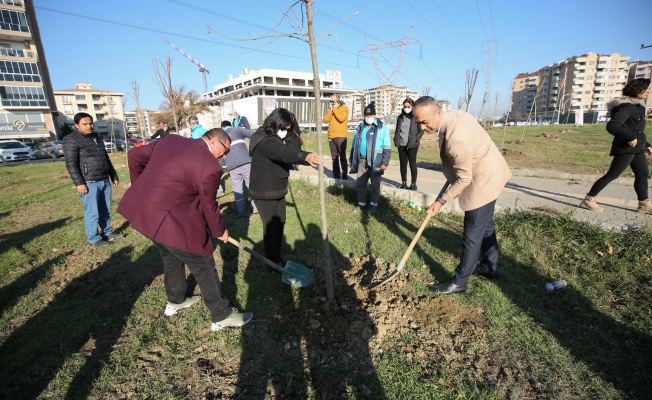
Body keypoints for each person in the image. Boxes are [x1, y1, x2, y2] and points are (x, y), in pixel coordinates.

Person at [117, 129, 253, 331]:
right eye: (225, 150)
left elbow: (134, 155)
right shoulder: (209, 167)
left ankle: (176, 300)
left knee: (171, 256)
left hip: (141, 214)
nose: (225, 156)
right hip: (166, 220)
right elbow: (209, 205)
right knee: (203, 261)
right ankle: (221, 315)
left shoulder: (171, 140)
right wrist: (219, 230)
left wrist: (139, 186)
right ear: (214, 141)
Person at [413, 96, 512, 294]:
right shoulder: (453, 117)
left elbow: (464, 179)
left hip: (484, 178)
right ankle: (490, 266)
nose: (423, 128)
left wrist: (441, 200)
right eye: (419, 123)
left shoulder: (456, 139)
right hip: (488, 169)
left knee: (472, 233)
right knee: (486, 225)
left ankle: (460, 281)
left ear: (438, 113)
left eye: (425, 122)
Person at [249, 108, 322, 265]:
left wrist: (293, 125)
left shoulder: (271, 134)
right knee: (271, 228)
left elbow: (291, 144)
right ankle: (272, 262)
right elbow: (282, 152)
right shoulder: (266, 140)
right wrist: (304, 156)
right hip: (264, 191)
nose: (286, 131)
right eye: (284, 128)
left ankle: (277, 255)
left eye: (288, 128)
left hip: (275, 190)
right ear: (276, 123)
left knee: (280, 222)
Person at [580, 78, 652, 214]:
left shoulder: (639, 107)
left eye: (649, 89)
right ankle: (588, 199)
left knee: (642, 174)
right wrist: (630, 137)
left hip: (637, 147)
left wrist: (646, 145)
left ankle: (644, 204)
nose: (648, 91)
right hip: (626, 147)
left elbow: (635, 129)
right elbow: (613, 125)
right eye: (645, 89)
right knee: (612, 174)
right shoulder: (626, 107)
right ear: (636, 89)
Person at [62, 112, 124, 247]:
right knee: (92, 212)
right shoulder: (71, 139)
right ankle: (93, 239)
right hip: (89, 182)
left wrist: (113, 175)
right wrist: (79, 183)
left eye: (91, 123)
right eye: (85, 124)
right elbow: (71, 163)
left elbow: (105, 158)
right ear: (77, 125)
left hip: (104, 180)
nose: (89, 126)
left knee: (105, 209)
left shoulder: (96, 137)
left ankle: (107, 232)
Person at [348, 101, 391, 214]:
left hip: (376, 161)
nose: (369, 117)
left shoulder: (382, 128)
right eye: (367, 116)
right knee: (360, 183)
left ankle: (373, 205)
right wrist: (351, 159)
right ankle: (361, 203)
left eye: (371, 115)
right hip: (361, 161)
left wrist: (385, 163)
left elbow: (387, 147)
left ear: (375, 115)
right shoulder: (360, 127)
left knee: (375, 184)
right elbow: (354, 145)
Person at [221, 120, 257, 214]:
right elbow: (254, 134)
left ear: (222, 128)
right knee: (251, 184)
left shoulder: (221, 136)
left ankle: (241, 210)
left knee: (237, 188)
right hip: (246, 162)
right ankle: (256, 207)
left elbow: (221, 154)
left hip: (232, 166)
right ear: (230, 125)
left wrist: (225, 167)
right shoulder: (237, 129)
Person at [394, 97, 424, 190]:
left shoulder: (416, 117)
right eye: (405, 106)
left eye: (408, 106)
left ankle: (413, 184)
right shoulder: (400, 117)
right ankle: (403, 182)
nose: (406, 108)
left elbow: (421, 130)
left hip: (412, 145)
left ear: (412, 106)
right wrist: (396, 139)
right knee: (403, 164)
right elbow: (397, 130)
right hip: (401, 144)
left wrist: (416, 139)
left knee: (412, 164)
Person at [323, 93, 350, 180]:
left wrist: (335, 109)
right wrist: (331, 110)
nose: (331, 103)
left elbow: (341, 118)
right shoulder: (330, 109)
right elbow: (325, 120)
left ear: (338, 101)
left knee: (342, 156)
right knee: (334, 157)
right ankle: (336, 175)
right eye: (330, 101)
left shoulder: (344, 108)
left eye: (333, 101)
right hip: (331, 136)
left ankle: (345, 175)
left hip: (341, 136)